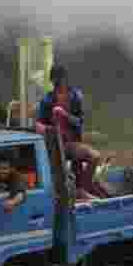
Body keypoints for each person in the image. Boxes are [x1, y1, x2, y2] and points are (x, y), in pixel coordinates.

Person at [35, 65, 108, 199]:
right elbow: (39, 122)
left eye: (60, 79)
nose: (58, 83)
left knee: (95, 156)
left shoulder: (75, 96)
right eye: (55, 80)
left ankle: (83, 189)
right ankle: (77, 190)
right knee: (59, 176)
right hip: (54, 144)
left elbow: (79, 122)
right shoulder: (47, 99)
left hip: (71, 143)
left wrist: (65, 115)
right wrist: (43, 127)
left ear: (65, 79)